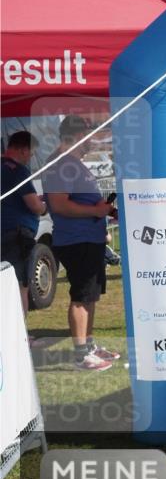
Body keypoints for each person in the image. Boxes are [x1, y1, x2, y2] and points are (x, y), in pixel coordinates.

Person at [42, 116, 119, 371]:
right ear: (77, 136)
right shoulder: (61, 163)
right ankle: (81, 355)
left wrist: (102, 210)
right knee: (81, 297)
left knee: (90, 296)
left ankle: (89, 347)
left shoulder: (71, 163)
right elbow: (59, 204)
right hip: (77, 240)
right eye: (90, 136)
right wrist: (95, 212)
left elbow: (78, 201)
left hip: (89, 238)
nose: (93, 142)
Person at [1, 131, 48, 320]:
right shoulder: (18, 171)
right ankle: (22, 338)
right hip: (15, 236)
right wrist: (45, 207)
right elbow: (34, 206)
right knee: (20, 285)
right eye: (31, 152)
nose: (31, 157)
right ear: (22, 150)